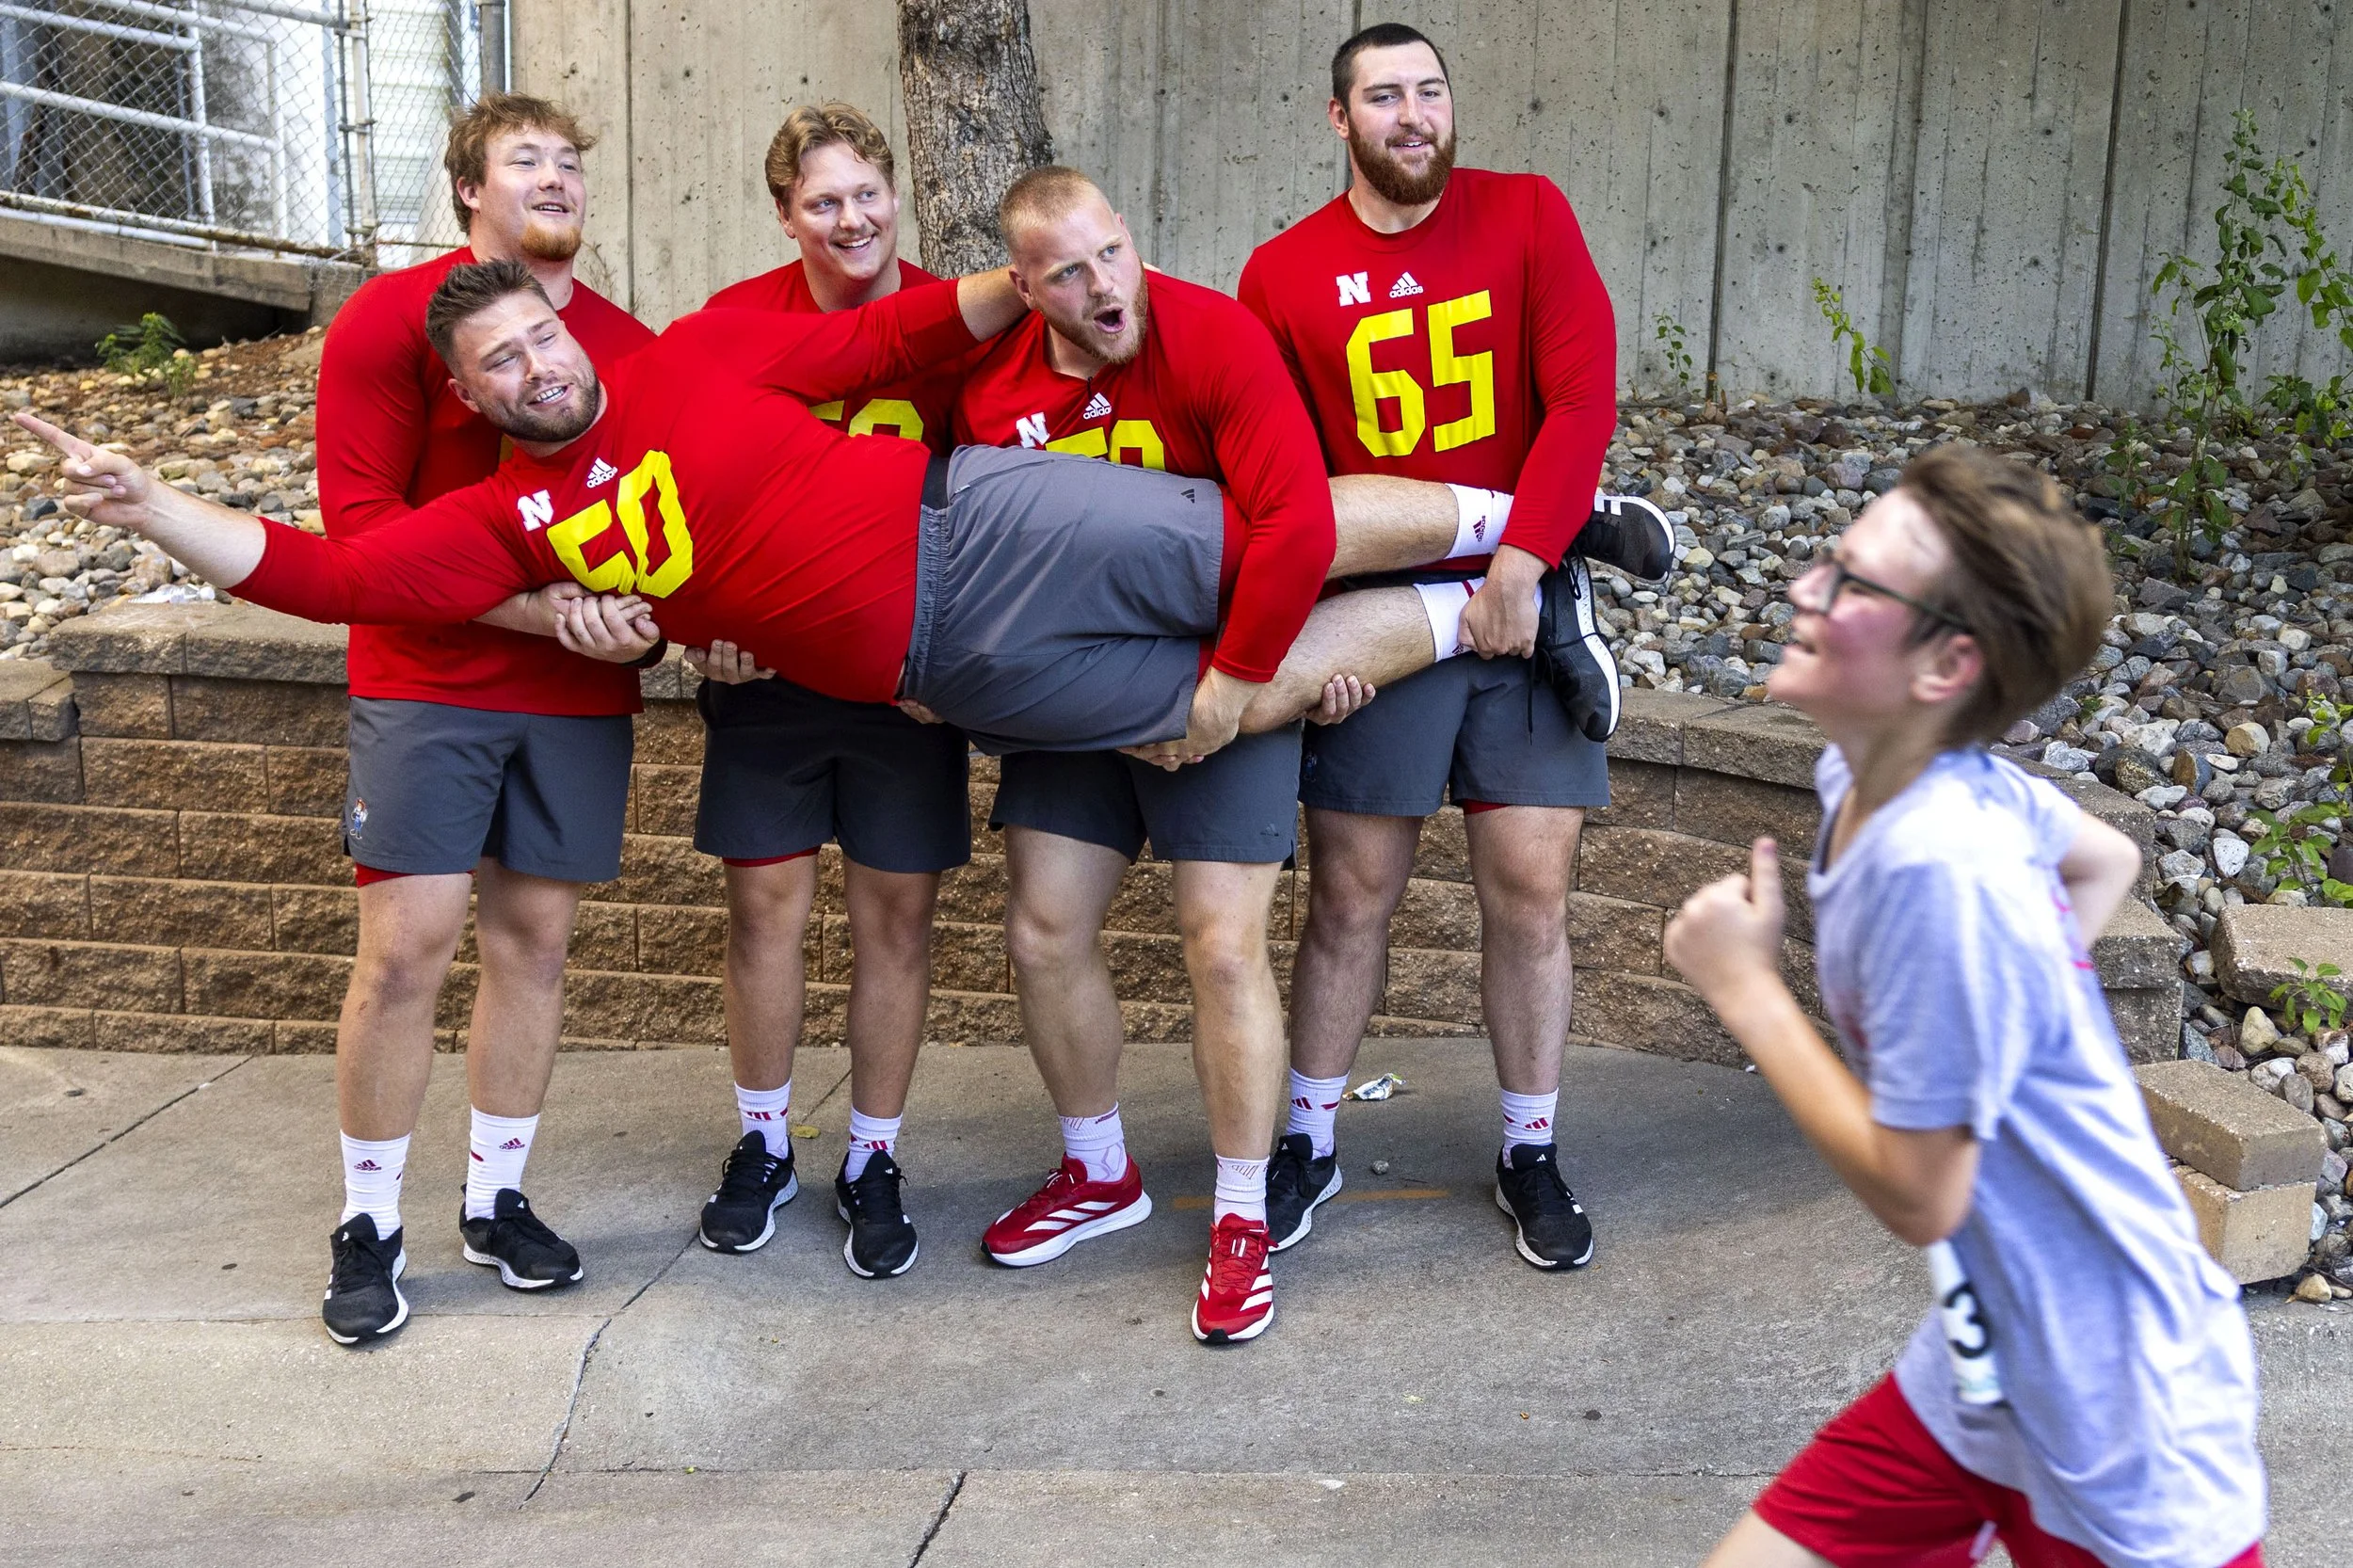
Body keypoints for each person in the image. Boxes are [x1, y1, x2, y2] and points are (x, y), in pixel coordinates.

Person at [15, 257, 1562, 781]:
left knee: (1251, 537)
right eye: (501, 368)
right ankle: (1502, 609)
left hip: (986, 523)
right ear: (477, 401)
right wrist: (154, 504)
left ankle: (1532, 520)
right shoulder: (511, 524)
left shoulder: (690, 359)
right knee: (1207, 715)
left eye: (541, 338)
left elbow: (887, 348)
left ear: (566, 331)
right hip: (949, 674)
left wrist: (1014, 287)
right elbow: (327, 573)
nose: (537, 367)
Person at [1664, 443, 2267, 1568]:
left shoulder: (1942, 870)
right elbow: (2102, 862)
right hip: (1990, 1363)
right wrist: (2000, 1033)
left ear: (1945, 665)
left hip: (2123, 1418)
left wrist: (1748, 993)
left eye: (1849, 581)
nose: (1803, 589)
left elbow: (1918, 1193)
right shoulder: (1885, 776)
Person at [1238, 24, 1636, 1267]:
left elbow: (1582, 397)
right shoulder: (1282, 272)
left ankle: (1529, 1146)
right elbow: (1291, 476)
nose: (1413, 114)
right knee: (1351, 892)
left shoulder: (1525, 215)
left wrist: (1523, 563)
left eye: (1430, 91)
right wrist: (1315, 629)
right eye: (1383, 97)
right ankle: (1308, 1132)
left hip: (1521, 604)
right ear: (1337, 119)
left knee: (1530, 889)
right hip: (1386, 613)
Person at [953, 166, 1334, 1344]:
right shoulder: (990, 394)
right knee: (1042, 925)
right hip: (1079, 698)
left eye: (1112, 252)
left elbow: (1298, 523)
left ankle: (1237, 1219)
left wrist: (1225, 692)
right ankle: (1099, 1171)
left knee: (1220, 944)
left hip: (1215, 674)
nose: (1105, 286)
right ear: (1023, 288)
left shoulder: (1212, 334)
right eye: (1067, 272)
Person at [306, 93, 657, 1345]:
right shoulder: (392, 318)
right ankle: (369, 1222)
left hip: (575, 693)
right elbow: (360, 541)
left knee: (536, 947)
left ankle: (495, 1200)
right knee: (406, 949)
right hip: (428, 678)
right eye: (525, 160)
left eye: (571, 160)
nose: (556, 177)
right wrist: (535, 611)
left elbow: (662, 534)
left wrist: (660, 622)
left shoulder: (621, 339)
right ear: (468, 188)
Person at [685, 104, 982, 1279]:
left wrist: (956, 668)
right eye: (823, 202)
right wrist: (702, 628)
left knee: (894, 918)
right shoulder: (732, 326)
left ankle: (872, 1153)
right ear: (783, 214)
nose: (850, 219)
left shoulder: (954, 325)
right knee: (763, 910)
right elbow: (683, 483)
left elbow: (996, 500)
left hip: (906, 686)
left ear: (896, 194)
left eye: (867, 194)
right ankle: (763, 1144)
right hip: (770, 678)